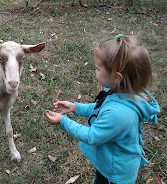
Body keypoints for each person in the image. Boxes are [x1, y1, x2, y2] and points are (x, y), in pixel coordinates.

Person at [45, 34, 160, 184]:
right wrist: (76, 107)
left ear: (117, 77)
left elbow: (92, 136)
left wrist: (63, 122)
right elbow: (101, 109)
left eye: (98, 68)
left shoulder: (121, 114)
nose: (95, 71)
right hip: (107, 163)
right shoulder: (119, 92)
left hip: (117, 174)